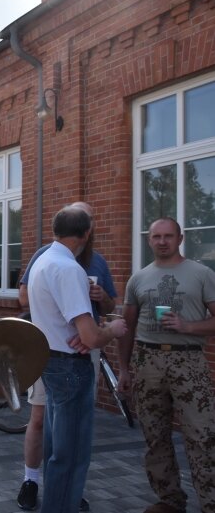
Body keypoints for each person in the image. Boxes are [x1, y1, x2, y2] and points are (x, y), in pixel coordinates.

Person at [16, 201, 117, 512]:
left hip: (50, 360)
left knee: (56, 450)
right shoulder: (69, 268)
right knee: (70, 455)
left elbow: (67, 324)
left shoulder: (44, 260)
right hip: (69, 368)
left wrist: (85, 334)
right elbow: (89, 336)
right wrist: (114, 328)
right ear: (86, 233)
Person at [118, 217, 215, 513]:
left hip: (189, 362)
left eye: (168, 236)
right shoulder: (139, 278)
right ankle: (170, 501)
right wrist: (124, 369)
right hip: (148, 361)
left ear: (180, 238)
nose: (162, 241)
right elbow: (128, 326)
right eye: (156, 236)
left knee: (203, 435)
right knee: (155, 436)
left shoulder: (201, 274)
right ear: (149, 240)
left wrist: (188, 326)